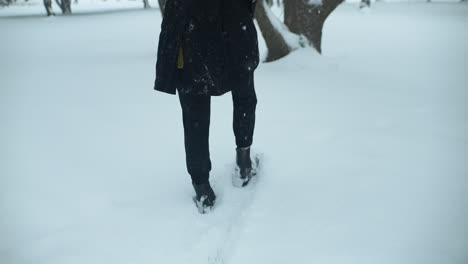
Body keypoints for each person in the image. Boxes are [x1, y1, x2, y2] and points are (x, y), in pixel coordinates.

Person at [154, 0, 259, 213]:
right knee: (243, 96)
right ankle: (244, 163)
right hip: (234, 31)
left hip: (193, 36)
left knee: (195, 116)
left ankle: (202, 187)